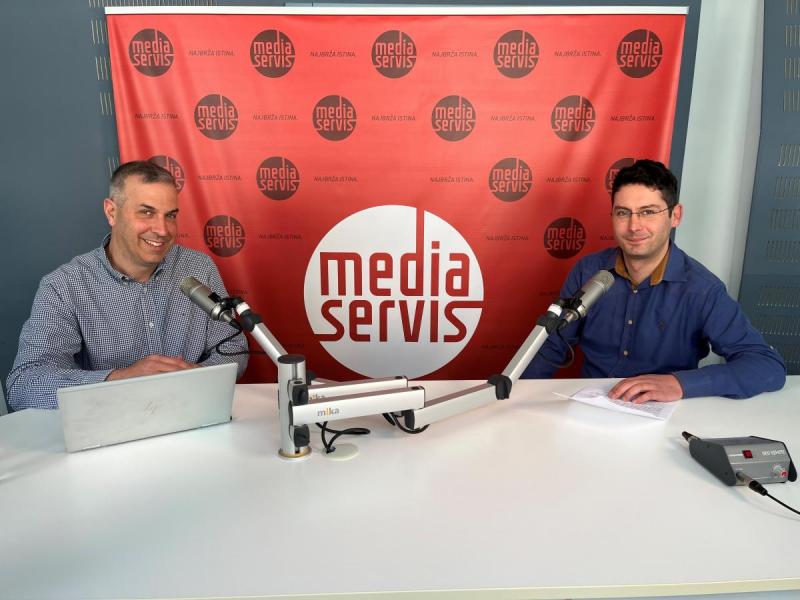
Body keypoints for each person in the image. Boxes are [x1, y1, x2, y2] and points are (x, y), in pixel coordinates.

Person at [523, 159, 785, 402]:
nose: (634, 226)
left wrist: (680, 384)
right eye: (623, 213)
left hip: (664, 415)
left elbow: (767, 366)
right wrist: (515, 402)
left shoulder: (703, 289)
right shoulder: (588, 271)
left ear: (675, 216)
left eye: (648, 212)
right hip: (591, 407)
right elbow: (551, 348)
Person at [7, 161, 248, 410]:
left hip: (192, 414)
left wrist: (194, 377)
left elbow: (232, 347)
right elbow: (24, 385)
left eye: (170, 215)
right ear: (112, 212)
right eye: (146, 212)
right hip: (108, 423)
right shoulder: (64, 286)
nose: (162, 230)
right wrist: (121, 379)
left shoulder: (198, 268)